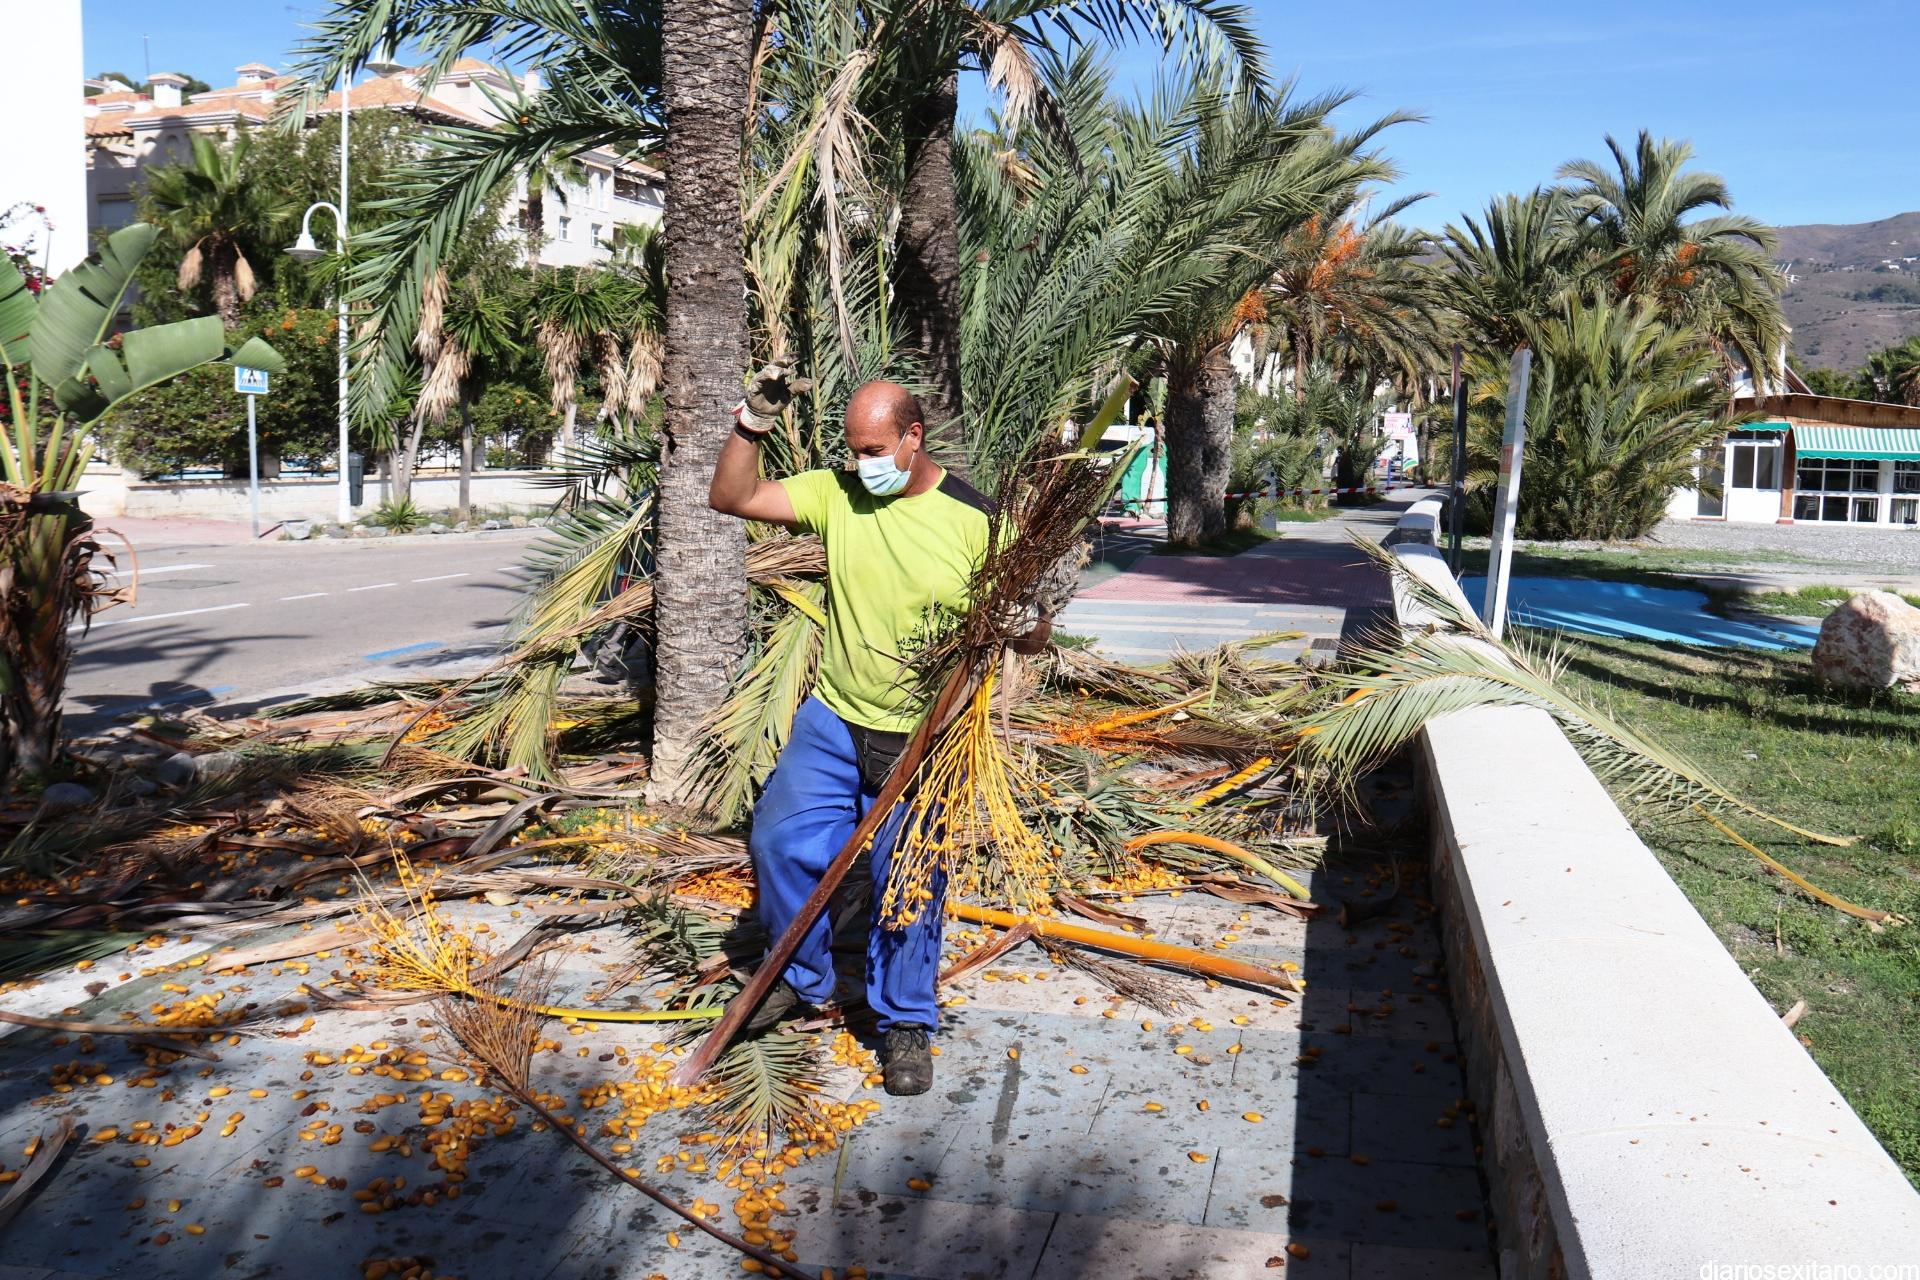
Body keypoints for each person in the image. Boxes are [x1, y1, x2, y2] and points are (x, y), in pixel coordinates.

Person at [708, 365, 1046, 1095]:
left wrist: (1025, 623)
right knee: (779, 841)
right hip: (835, 717)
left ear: (913, 437)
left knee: (910, 878)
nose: (861, 465)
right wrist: (751, 423)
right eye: (853, 450)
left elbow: (1034, 630)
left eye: (873, 450)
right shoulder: (837, 494)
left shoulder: (978, 519)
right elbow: (732, 497)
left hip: (930, 731)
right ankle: (799, 976)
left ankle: (905, 1022)